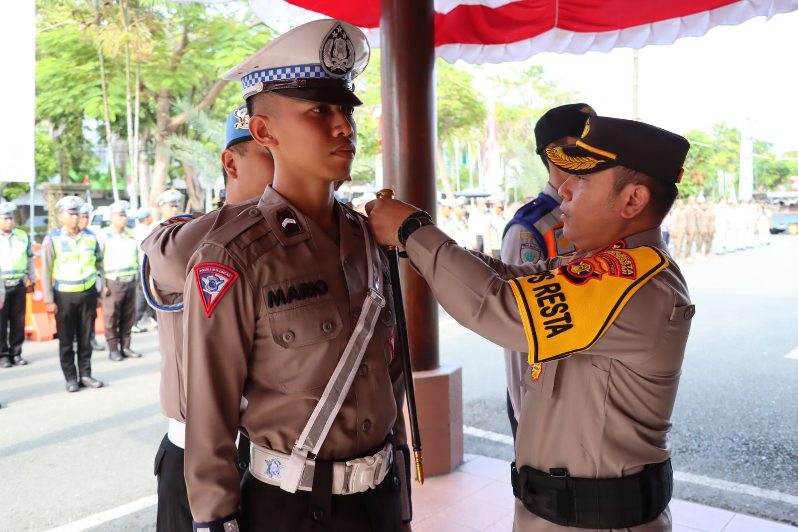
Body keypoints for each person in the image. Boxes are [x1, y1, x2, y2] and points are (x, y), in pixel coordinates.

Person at [367, 116, 694, 531]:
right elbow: (508, 278)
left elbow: (492, 304)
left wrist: (413, 230)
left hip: (598, 521)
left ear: (632, 201)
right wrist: (418, 243)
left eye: (583, 180)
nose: (563, 190)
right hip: (562, 512)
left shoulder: (634, 283)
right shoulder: (594, 265)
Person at [175, 20, 411, 532]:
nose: (344, 126)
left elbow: (387, 375)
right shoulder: (234, 256)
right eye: (319, 111)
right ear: (264, 132)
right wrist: (215, 521)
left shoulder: (369, 238)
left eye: (345, 109)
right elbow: (210, 409)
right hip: (292, 509)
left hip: (379, 501)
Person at [141, 104, 274, 532]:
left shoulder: (294, 241)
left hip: (277, 464)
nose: (286, 169)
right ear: (231, 162)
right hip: (193, 461)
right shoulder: (185, 236)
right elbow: (168, 257)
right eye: (271, 156)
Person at [500, 103, 595, 440]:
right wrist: (527, 414)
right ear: (555, 154)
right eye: (583, 146)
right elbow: (516, 333)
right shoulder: (531, 229)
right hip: (542, 405)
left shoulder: (596, 217)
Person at [42, 196, 105, 393]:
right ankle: (71, 377)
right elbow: (45, 270)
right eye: (71, 213)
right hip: (64, 295)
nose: (75, 217)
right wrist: (48, 299)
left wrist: (100, 291)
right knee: (67, 339)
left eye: (77, 212)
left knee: (86, 337)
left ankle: (85, 374)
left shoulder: (91, 237)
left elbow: (99, 265)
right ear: (61, 215)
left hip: (88, 294)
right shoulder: (53, 239)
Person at [99, 200, 141, 362]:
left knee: (128, 316)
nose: (123, 218)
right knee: (111, 317)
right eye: (120, 215)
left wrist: (138, 278)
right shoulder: (103, 235)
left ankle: (126, 346)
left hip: (130, 280)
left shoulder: (131, 233)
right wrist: (102, 284)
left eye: (125, 215)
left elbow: (137, 258)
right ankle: (113, 349)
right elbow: (99, 263)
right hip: (112, 282)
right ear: (111, 217)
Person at [0, 201, 35, 368]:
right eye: (5, 218)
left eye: (11, 218)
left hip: (19, 284)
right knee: (1, 322)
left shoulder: (22, 235)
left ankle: (16, 352)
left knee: (18, 321)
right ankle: (3, 355)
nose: (9, 222)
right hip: (1, 286)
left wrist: (32, 278)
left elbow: (30, 259)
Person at [79, 203, 106, 351]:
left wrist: (101, 285)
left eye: (86, 216)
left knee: (91, 314)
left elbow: (99, 262)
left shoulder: (92, 236)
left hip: (90, 283)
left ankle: (91, 337)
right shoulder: (63, 237)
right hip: (70, 286)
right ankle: (78, 341)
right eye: (82, 216)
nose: (84, 219)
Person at [133, 208, 156, 333]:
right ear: (146, 218)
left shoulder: (143, 230)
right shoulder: (141, 232)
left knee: (150, 294)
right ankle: (135, 321)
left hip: (148, 266)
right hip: (143, 266)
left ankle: (153, 318)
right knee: (143, 295)